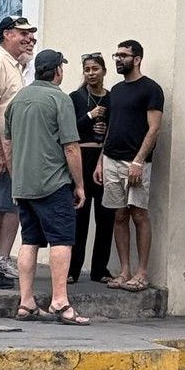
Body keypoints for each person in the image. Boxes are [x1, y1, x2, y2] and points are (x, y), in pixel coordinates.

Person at [5, 50, 88, 325]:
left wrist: (16, 176)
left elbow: (9, 143)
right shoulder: (59, 98)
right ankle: (60, 302)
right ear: (57, 71)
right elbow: (71, 147)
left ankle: (26, 302)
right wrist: (79, 185)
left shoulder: (19, 99)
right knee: (62, 240)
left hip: (23, 184)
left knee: (29, 241)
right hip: (53, 183)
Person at [98, 39, 163, 293]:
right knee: (119, 214)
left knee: (139, 214)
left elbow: (155, 128)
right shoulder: (115, 90)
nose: (118, 59)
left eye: (123, 55)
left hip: (137, 162)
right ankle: (124, 271)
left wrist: (138, 160)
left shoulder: (151, 89)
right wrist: (103, 160)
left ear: (137, 59)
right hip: (112, 159)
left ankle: (141, 272)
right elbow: (111, 127)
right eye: (116, 54)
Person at [0, 15, 37, 288]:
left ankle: (1, 260)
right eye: (23, 34)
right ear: (7, 34)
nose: (28, 39)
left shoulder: (16, 65)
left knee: (9, 205)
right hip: (0, 149)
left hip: (13, 148)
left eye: (30, 35)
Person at [68, 53, 115, 284]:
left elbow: (116, 127)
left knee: (106, 217)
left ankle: (100, 269)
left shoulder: (111, 98)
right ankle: (72, 270)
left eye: (95, 69)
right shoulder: (76, 97)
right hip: (81, 156)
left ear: (104, 71)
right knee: (80, 215)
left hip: (104, 156)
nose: (91, 73)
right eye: (87, 69)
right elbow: (69, 128)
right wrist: (90, 115)